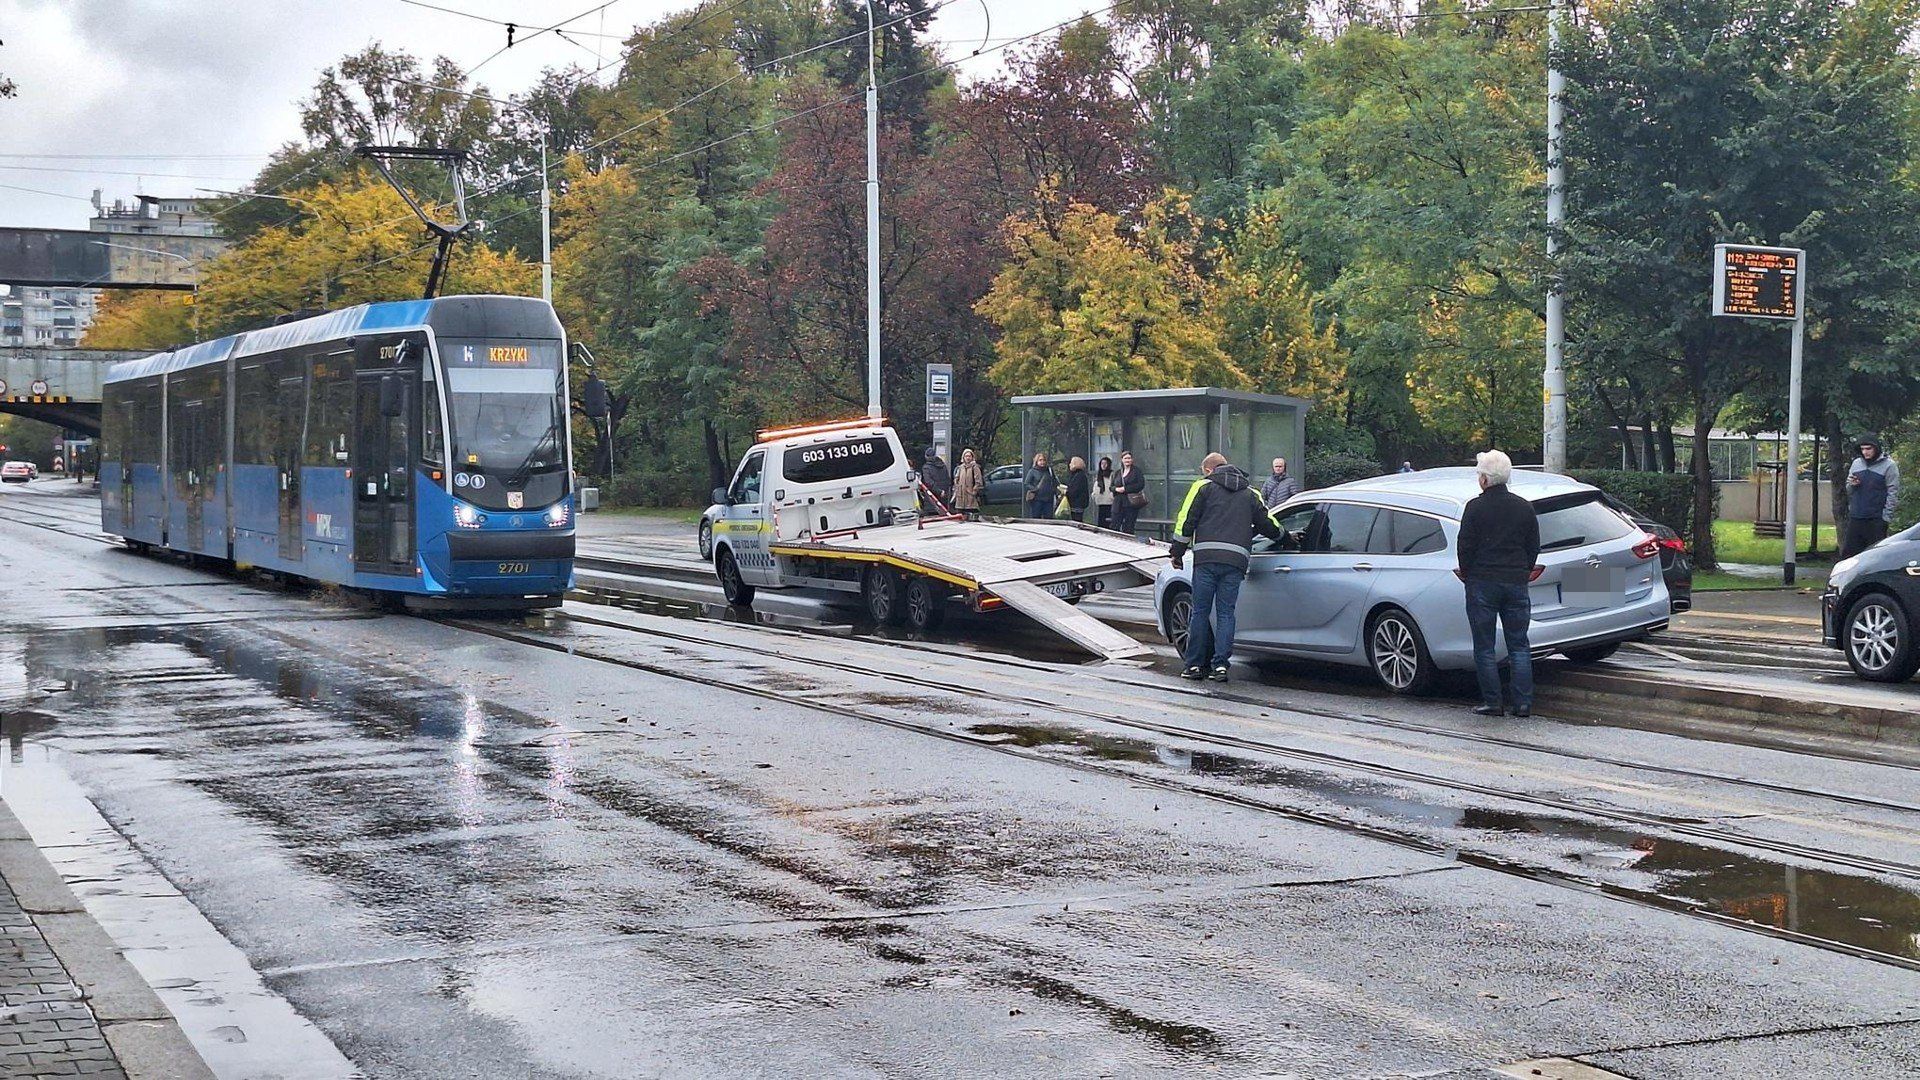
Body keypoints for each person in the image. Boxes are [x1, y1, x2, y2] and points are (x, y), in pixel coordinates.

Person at [1170, 452, 1282, 682]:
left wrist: (1177, 553)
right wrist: (1286, 537)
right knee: (1225, 613)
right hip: (1235, 561)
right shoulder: (1251, 493)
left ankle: (1193, 666)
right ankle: (1220, 666)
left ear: (1209, 470)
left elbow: (1186, 521)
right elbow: (1268, 523)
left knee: (1200, 612)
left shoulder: (1202, 487)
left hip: (1206, 558)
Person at [1457, 449, 1540, 717]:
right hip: (1516, 581)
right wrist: (1523, 569)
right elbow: (1533, 545)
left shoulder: (1475, 507)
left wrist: (1468, 573)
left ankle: (1493, 702)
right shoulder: (1524, 506)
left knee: (1484, 645)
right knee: (1519, 644)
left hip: (1482, 580)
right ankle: (1523, 703)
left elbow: (1465, 546)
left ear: (1484, 479)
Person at [1842, 434, 1901, 559]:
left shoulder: (1889, 465)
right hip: (1856, 517)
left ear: (1876, 448)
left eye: (1868, 449)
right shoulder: (1856, 463)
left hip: (1876, 519)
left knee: (1874, 557)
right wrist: (1852, 485)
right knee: (1848, 556)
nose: (1865, 452)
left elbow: (1893, 491)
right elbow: (1848, 490)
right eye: (1863, 449)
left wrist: (1886, 517)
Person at [1112, 451, 1146, 534]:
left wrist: (1126, 489)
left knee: (1129, 526)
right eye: (1125, 458)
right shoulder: (1118, 472)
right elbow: (1111, 486)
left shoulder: (1136, 471)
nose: (1127, 460)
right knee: (1115, 525)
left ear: (1132, 460)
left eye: (1129, 458)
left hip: (1130, 502)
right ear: (1122, 460)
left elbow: (1140, 485)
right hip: (1118, 503)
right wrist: (1116, 489)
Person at [1024, 452, 1060, 520]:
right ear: (1036, 461)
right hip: (1037, 499)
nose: (1042, 462)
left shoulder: (1049, 471)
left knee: (1049, 518)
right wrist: (1035, 489)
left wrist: (1056, 492)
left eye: (1044, 460)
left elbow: (1054, 482)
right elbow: (1027, 483)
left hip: (1049, 499)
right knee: (1036, 518)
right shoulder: (1032, 471)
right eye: (1040, 460)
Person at [952, 448, 985, 519]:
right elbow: (956, 478)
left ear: (972, 457)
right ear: (963, 457)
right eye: (966, 456)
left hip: (970, 496)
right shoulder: (960, 468)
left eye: (969, 456)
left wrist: (974, 491)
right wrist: (957, 487)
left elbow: (978, 481)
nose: (968, 458)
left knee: (972, 514)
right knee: (960, 515)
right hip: (960, 497)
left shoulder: (975, 467)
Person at [919, 447, 952, 514]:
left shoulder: (926, 468)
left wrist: (939, 491)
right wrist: (943, 492)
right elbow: (948, 480)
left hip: (932, 498)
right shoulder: (943, 465)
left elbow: (928, 482)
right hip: (943, 497)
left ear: (926, 456)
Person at [1065, 457, 1091, 522]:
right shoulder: (1077, 475)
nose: (1069, 465)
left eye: (1071, 463)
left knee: (1076, 520)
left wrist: (1067, 492)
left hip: (1077, 503)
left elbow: (1075, 489)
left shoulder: (1079, 476)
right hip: (1076, 502)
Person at [1093, 457, 1116, 528]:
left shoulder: (1112, 474)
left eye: (1105, 463)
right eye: (1102, 463)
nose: (1103, 465)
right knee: (1101, 521)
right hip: (1100, 501)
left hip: (1109, 501)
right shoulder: (1098, 475)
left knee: (1108, 521)